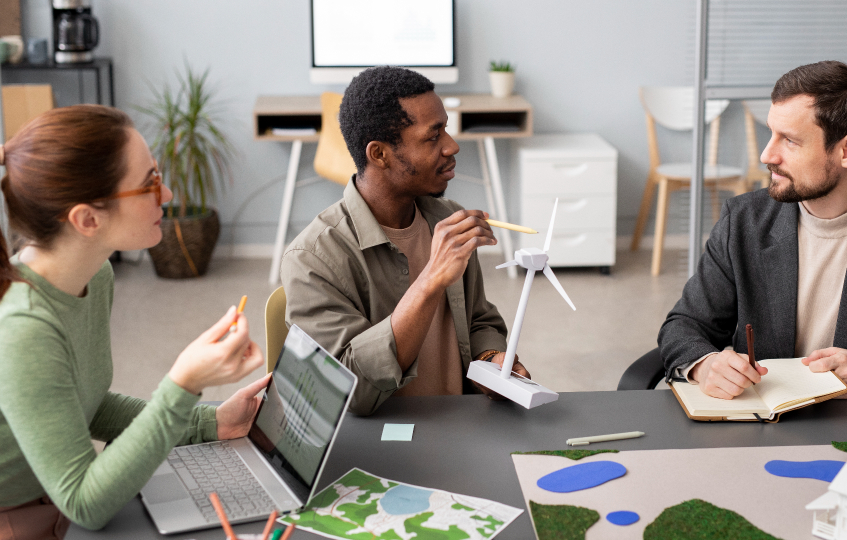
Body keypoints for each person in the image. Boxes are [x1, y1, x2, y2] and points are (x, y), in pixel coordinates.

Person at [0, 105, 266, 538]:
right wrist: (183, 384)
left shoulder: (94, 276)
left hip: (52, 501)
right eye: (149, 185)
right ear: (87, 219)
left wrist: (208, 422)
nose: (167, 196)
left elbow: (88, 405)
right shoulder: (23, 328)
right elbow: (85, 503)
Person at [659, 60, 847, 400]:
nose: (768, 155)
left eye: (790, 141)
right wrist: (705, 364)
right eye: (771, 133)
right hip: (764, 425)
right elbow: (684, 325)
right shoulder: (743, 220)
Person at [281, 66, 527, 416]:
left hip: (462, 428)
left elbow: (478, 320)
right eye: (433, 136)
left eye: (447, 129)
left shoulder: (447, 220)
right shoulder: (312, 258)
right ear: (379, 154)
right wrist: (430, 280)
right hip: (380, 444)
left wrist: (491, 360)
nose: (452, 146)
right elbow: (350, 392)